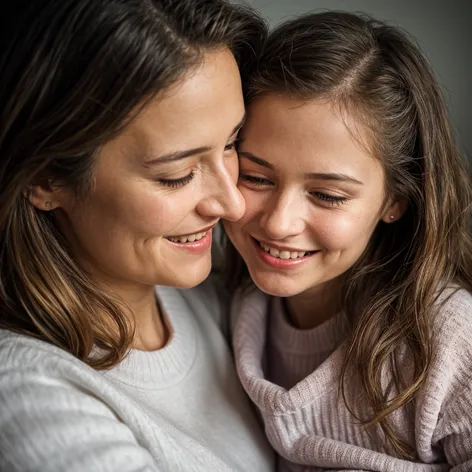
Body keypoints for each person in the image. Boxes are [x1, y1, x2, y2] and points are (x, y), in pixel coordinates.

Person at [0, 1, 275, 471]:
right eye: (176, 174)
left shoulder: (218, 296)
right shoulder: (27, 398)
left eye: (231, 143)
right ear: (45, 180)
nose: (232, 204)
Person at [224, 11, 472, 472]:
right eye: (256, 177)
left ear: (394, 200)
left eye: (327, 195)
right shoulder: (224, 310)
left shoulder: (451, 341)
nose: (279, 223)